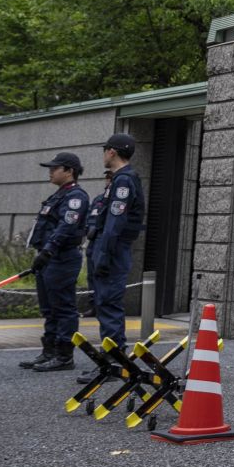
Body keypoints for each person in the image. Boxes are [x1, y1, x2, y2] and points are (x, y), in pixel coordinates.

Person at [22, 152, 90, 372]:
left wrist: (49, 251)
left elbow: (66, 227)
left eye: (55, 168)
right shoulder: (59, 195)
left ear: (69, 171)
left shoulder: (75, 196)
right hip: (48, 257)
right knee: (49, 308)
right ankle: (49, 351)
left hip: (62, 258)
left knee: (63, 308)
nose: (50, 172)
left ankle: (64, 355)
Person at [83, 132, 145, 351]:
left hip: (113, 249)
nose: (103, 155)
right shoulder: (119, 179)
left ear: (112, 152)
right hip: (110, 248)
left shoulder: (124, 181)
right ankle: (110, 355)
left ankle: (113, 356)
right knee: (104, 302)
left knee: (108, 303)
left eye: (105, 151)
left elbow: (114, 223)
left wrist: (103, 255)